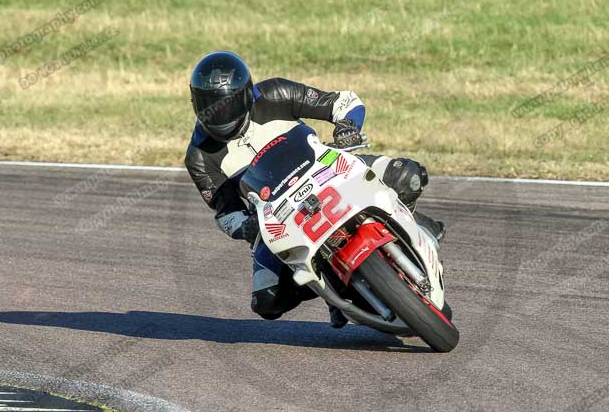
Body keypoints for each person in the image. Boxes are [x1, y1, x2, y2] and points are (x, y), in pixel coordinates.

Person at [184, 51, 444, 327]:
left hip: (331, 171)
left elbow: (344, 102)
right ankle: (332, 291)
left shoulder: (275, 93)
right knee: (267, 302)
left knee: (410, 176)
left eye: (229, 104)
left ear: (247, 94)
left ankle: (411, 222)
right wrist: (247, 227)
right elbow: (225, 214)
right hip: (277, 218)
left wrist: (347, 127)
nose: (221, 114)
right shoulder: (199, 157)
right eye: (212, 105)